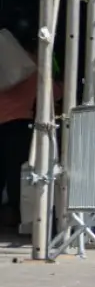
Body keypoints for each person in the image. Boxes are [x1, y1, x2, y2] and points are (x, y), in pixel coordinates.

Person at [0, 26, 60, 232]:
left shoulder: (6, 62)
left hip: (3, 122)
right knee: (17, 173)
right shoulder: (34, 66)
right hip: (19, 124)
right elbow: (54, 94)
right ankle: (18, 215)